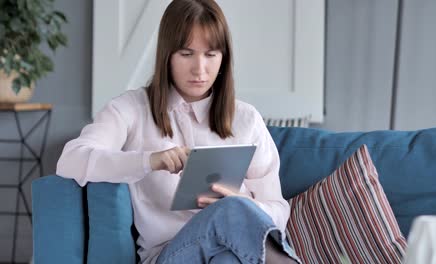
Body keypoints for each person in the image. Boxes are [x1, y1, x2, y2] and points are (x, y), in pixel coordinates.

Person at [57, 0, 300, 263]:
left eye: (211, 54)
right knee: (230, 215)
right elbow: (70, 160)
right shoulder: (131, 109)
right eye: (186, 54)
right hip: (170, 254)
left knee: (227, 253)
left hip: (232, 251)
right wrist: (150, 160)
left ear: (224, 58)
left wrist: (243, 203)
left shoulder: (246, 119)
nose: (200, 69)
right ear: (167, 55)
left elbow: (278, 211)